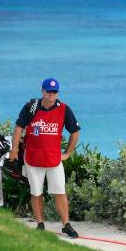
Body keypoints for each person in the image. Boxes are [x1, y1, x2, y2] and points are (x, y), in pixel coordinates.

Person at [9, 78, 81, 238]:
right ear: (42, 91)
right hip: (33, 159)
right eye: (49, 91)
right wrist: (14, 149)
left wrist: (68, 153)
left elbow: (75, 132)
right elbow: (19, 128)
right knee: (36, 192)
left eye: (54, 92)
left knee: (60, 192)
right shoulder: (31, 107)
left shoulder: (64, 109)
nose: (51, 94)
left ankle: (66, 225)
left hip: (54, 160)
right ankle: (40, 224)